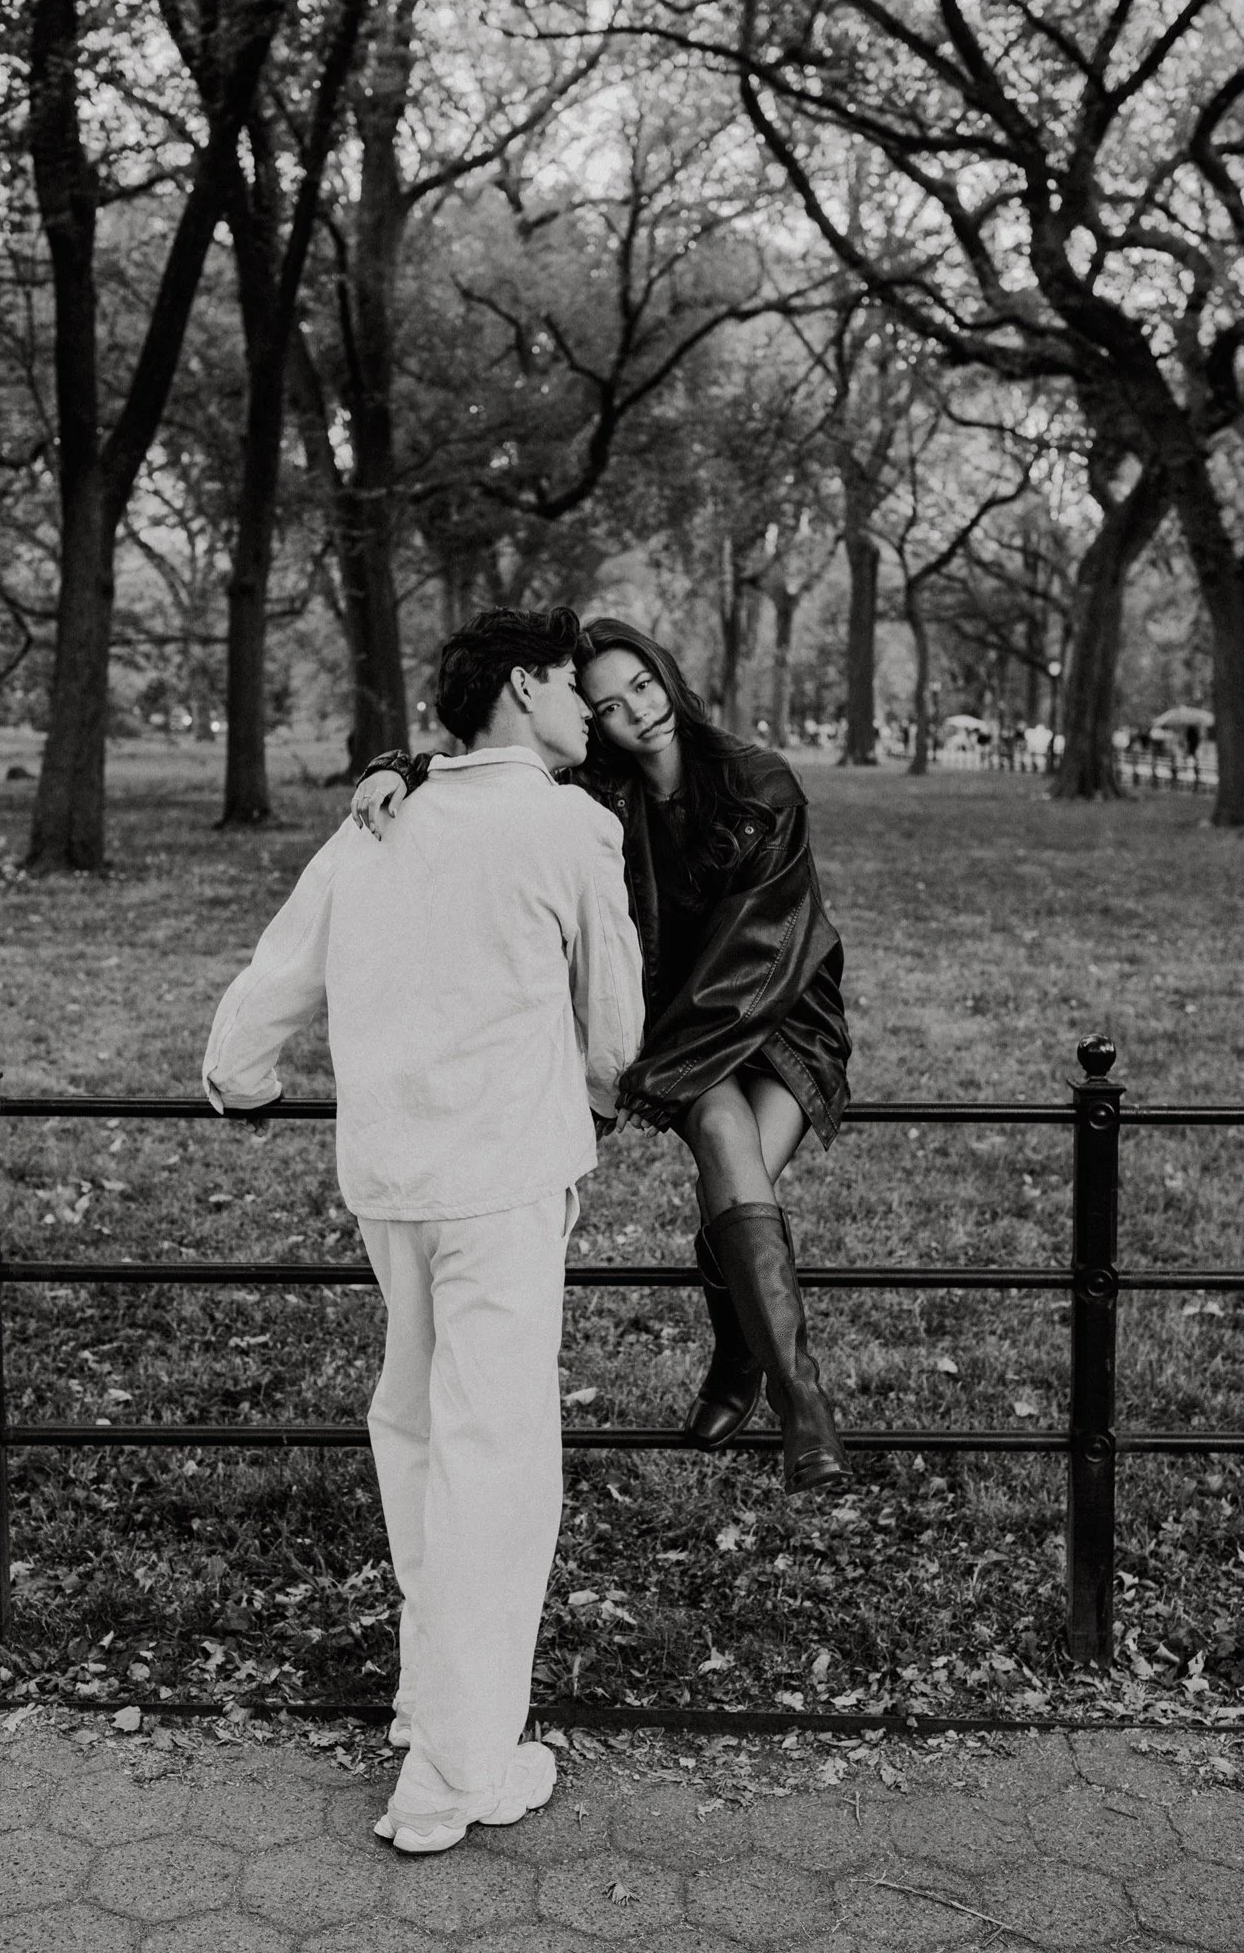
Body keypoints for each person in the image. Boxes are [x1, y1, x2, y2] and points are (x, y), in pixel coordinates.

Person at [203, 607, 643, 1855]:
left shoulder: (376, 824)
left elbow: (281, 973)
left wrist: (238, 1078)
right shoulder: (570, 826)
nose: (588, 713)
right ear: (524, 686)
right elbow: (613, 1026)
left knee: (414, 1432)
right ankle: (453, 1775)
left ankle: (427, 1701)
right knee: (496, 1460)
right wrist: (598, 1101)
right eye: (571, 688)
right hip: (502, 1176)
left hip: (391, 1177)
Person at [353, 614, 851, 1496]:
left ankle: (756, 1372)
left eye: (645, 688)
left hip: (773, 1015)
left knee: (731, 1182)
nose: (637, 714)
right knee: (728, 1154)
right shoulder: (596, 791)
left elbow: (758, 952)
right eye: (610, 706)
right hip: (683, 1042)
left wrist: (648, 1079)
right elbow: (491, 763)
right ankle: (798, 1403)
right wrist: (401, 768)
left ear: (669, 677)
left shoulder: (758, 783)